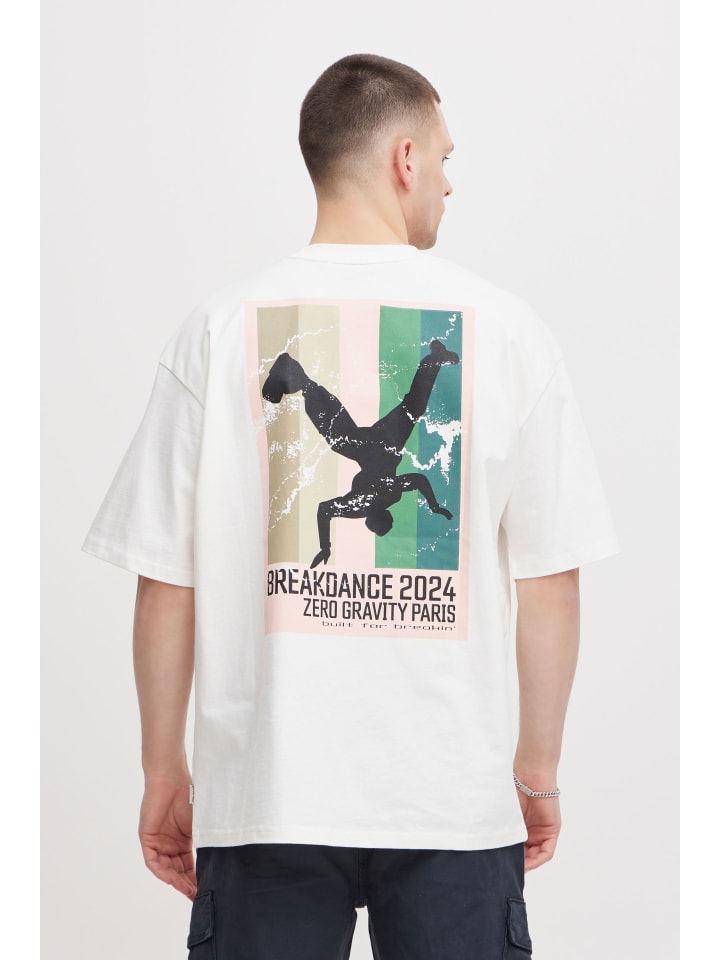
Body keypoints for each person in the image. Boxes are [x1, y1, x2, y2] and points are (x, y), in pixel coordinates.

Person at [82, 53, 621, 960]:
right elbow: (550, 581)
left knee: (362, 427)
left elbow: (166, 581)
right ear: (405, 158)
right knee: (378, 423)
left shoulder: (219, 326)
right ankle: (313, 380)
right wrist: (537, 772)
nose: (449, 183)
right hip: (450, 801)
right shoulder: (510, 331)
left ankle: (302, 380)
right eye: (445, 158)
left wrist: (164, 770)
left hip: (270, 798)